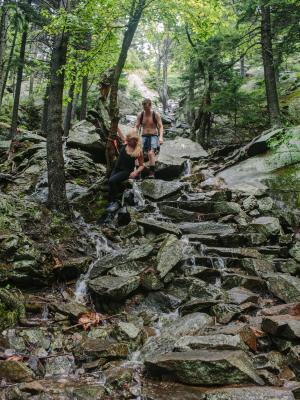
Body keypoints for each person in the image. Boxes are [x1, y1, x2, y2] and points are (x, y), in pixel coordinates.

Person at [107, 130, 144, 213]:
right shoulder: (125, 143)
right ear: (128, 139)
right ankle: (111, 202)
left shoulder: (138, 150)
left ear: (136, 140)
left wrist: (135, 172)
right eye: (131, 139)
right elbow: (119, 132)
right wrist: (116, 125)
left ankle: (116, 202)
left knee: (112, 181)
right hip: (116, 168)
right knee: (110, 182)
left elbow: (142, 165)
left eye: (134, 140)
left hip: (126, 171)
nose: (132, 141)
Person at [135, 98, 164, 178]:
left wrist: (161, 137)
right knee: (137, 153)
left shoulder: (156, 114)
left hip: (154, 136)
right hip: (143, 136)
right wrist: (134, 135)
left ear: (150, 106)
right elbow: (137, 126)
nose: (146, 109)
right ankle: (138, 173)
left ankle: (152, 173)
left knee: (150, 153)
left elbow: (161, 126)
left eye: (147, 108)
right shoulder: (140, 115)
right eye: (144, 108)